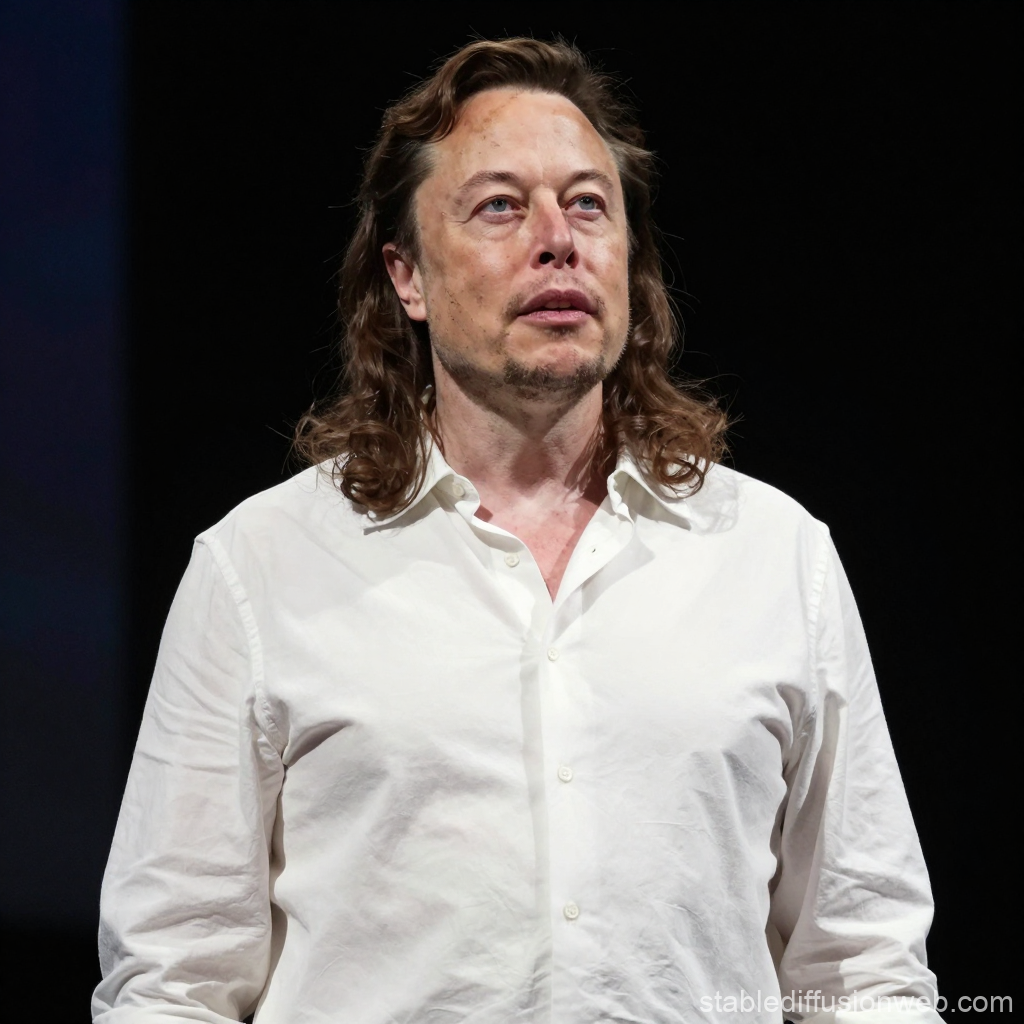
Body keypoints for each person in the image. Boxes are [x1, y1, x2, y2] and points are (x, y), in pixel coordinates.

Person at [94, 38, 944, 1024]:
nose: (558, 239)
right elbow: (174, 982)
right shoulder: (261, 566)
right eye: (501, 205)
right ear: (405, 277)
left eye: (588, 204)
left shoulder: (772, 554)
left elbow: (863, 967)